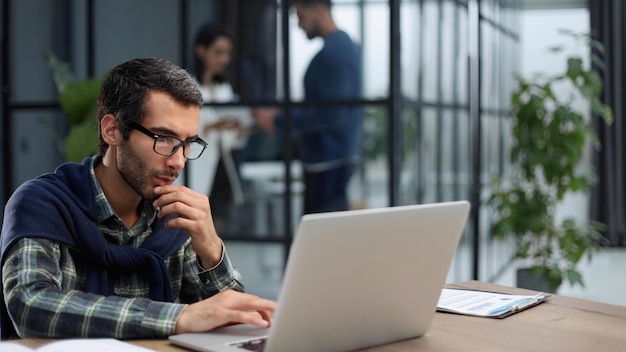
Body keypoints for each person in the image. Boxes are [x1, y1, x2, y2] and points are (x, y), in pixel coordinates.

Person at [0, 57, 275, 339]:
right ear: (112, 131)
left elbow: (232, 322)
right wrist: (177, 317)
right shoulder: (41, 204)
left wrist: (211, 249)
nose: (179, 161)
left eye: (188, 143)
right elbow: (30, 305)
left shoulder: (174, 217)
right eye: (163, 138)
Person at [253, 0, 363, 214]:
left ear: (320, 9)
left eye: (300, 16)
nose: (298, 24)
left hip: (327, 160)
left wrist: (277, 121)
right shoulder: (345, 48)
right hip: (333, 156)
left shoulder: (334, 54)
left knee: (322, 236)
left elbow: (331, 115)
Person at [189, 23, 251, 227]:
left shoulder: (224, 89)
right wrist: (214, 126)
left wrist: (239, 128)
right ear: (201, 50)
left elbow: (232, 139)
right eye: (218, 52)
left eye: (227, 53)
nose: (224, 59)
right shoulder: (187, 87)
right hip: (197, 167)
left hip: (224, 169)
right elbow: (184, 131)